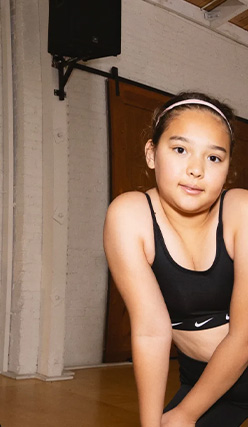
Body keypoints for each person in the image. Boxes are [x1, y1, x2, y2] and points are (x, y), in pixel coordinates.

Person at [103, 92, 248, 426]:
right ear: (152, 154)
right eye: (180, 150)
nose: (195, 169)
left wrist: (187, 412)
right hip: (204, 382)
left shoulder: (240, 210)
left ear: (228, 168)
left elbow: (243, 336)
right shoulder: (130, 216)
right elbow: (152, 332)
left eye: (214, 158)